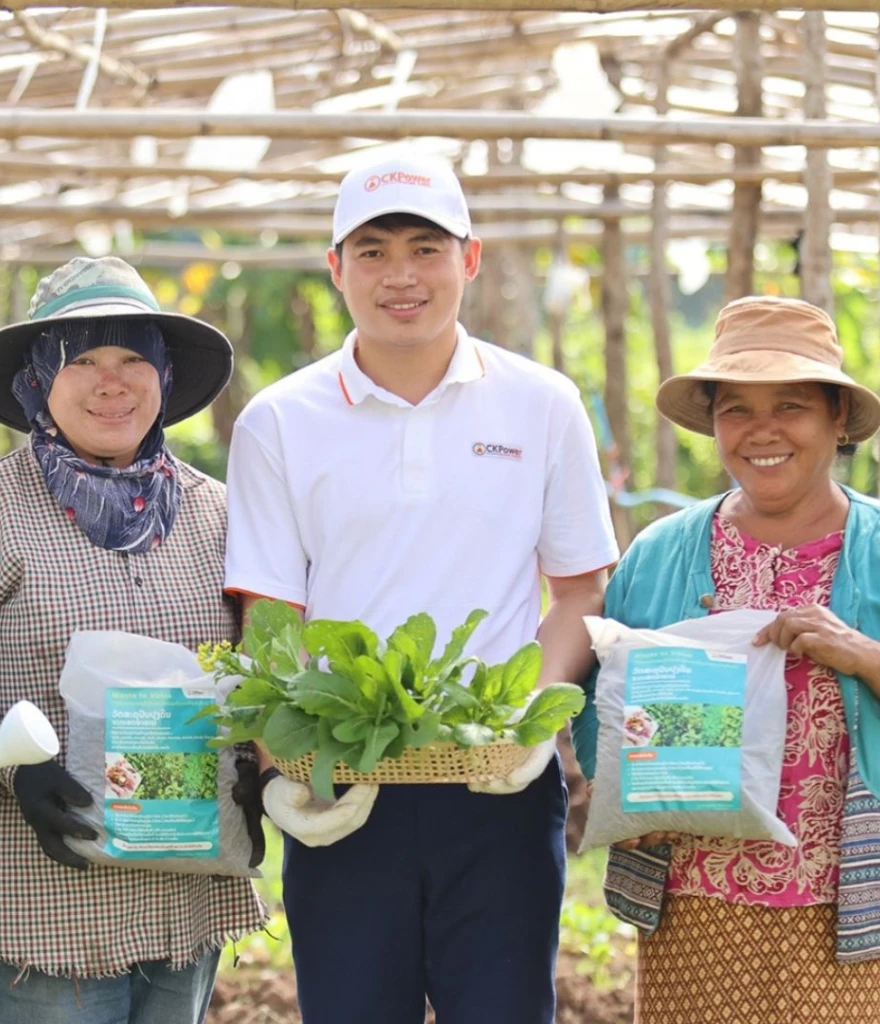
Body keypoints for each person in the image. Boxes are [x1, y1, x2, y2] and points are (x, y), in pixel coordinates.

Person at [223, 153, 620, 1023]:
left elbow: (580, 589)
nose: (400, 275)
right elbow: (273, 613)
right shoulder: (279, 421)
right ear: (336, 269)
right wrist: (282, 769)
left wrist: (527, 719)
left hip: (497, 787)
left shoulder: (542, 405)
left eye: (425, 248)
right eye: (372, 252)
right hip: (344, 781)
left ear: (469, 259)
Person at [572, 296, 880, 1023]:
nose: (763, 430)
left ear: (838, 420)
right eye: (736, 409)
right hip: (692, 897)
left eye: (791, 406)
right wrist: (622, 791)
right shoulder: (660, 553)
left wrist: (871, 656)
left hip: (842, 905)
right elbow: (600, 693)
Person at [0, 256, 267, 1024]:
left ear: (164, 375)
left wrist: (259, 762)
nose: (112, 382)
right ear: (37, 380)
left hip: (187, 886)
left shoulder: (220, 517)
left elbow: (263, 664)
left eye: (134, 358)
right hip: (46, 896)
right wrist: (12, 766)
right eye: (82, 361)